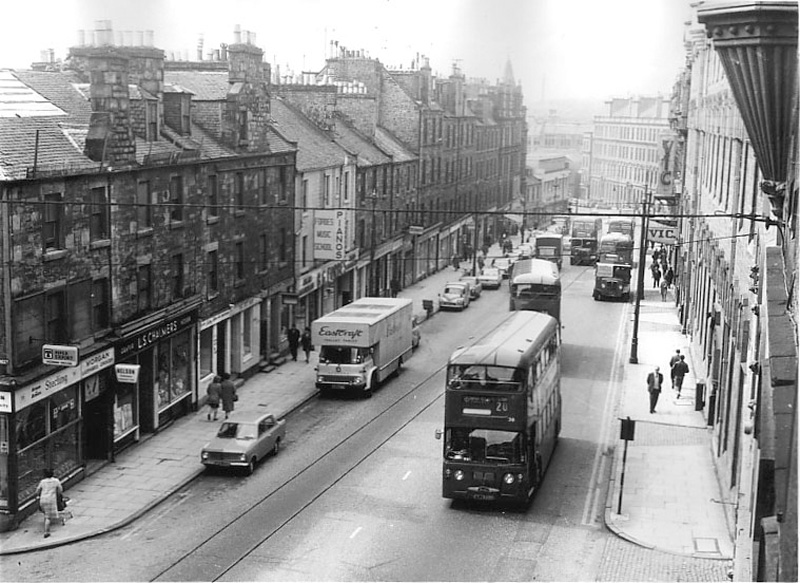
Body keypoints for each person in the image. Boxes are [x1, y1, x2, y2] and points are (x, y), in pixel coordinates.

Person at [35, 468, 63, 538]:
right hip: (51, 499)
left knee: (46, 514)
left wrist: (38, 495)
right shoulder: (56, 481)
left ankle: (45, 525)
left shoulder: (42, 482)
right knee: (48, 517)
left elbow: (37, 491)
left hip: (43, 499)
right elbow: (60, 490)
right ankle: (46, 532)